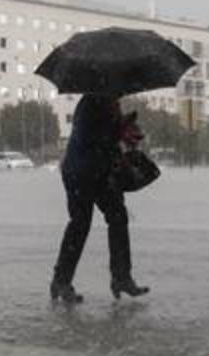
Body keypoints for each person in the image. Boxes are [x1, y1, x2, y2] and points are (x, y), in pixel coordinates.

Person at [50, 94, 150, 304]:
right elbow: (92, 138)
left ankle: (121, 277)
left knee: (118, 217)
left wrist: (125, 131)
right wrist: (118, 130)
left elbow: (109, 139)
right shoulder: (90, 103)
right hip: (80, 172)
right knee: (80, 224)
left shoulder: (109, 101)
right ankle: (61, 281)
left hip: (100, 171)